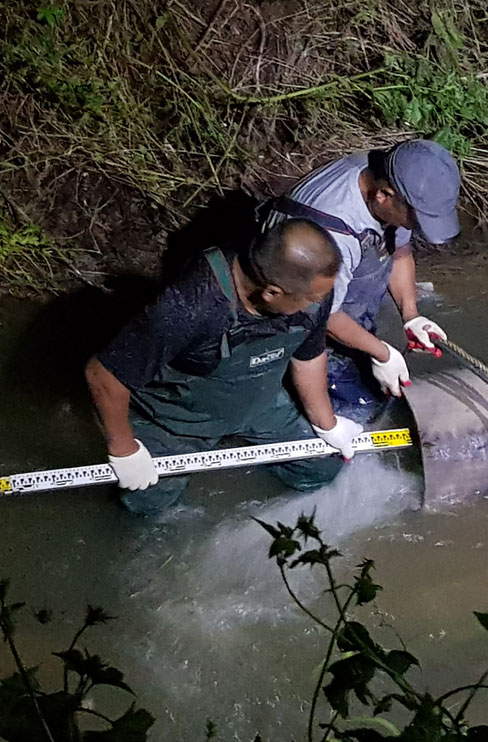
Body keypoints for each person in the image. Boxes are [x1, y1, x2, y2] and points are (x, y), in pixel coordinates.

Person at [84, 219, 364, 516]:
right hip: (177, 417)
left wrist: (326, 423)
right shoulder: (189, 306)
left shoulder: (314, 286)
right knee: (149, 500)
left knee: (321, 468)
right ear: (271, 292)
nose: (319, 304)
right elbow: (103, 375)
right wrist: (124, 450)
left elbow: (309, 352)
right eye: (311, 299)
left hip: (259, 401)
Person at [265, 139, 461, 422]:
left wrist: (411, 316)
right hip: (296, 325)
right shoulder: (330, 232)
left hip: (344, 312)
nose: (415, 227)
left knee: (381, 394)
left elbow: (399, 248)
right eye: (416, 220)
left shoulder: (391, 180)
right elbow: (322, 313)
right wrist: (382, 354)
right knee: (364, 411)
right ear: (384, 195)